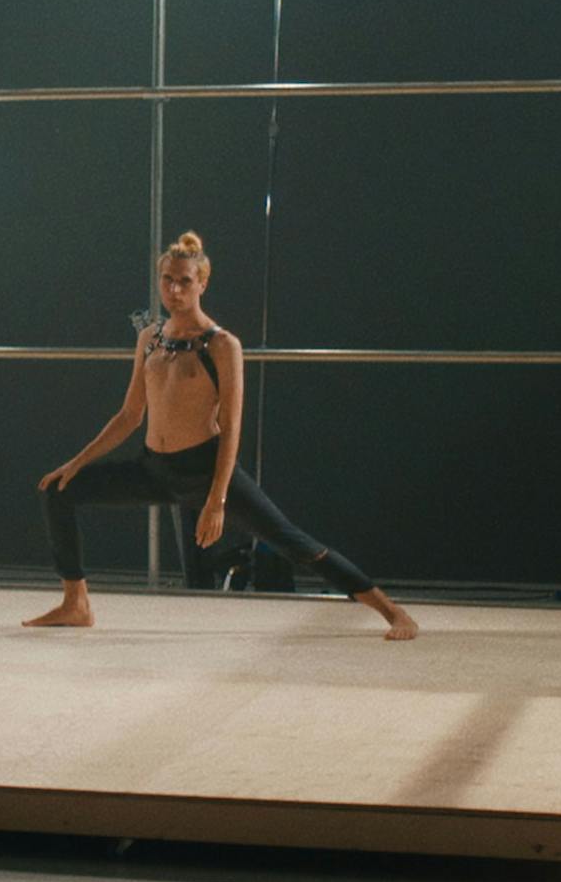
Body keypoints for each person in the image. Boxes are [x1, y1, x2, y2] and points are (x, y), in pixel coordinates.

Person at [27, 232, 418, 639]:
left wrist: (217, 499)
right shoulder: (150, 338)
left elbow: (231, 426)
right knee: (58, 490)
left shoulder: (222, 344)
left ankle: (393, 613)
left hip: (203, 469)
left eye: (183, 281)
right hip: (153, 468)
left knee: (293, 541)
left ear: (202, 284)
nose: (174, 290)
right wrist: (75, 463)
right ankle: (77, 603)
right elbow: (129, 415)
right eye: (166, 280)